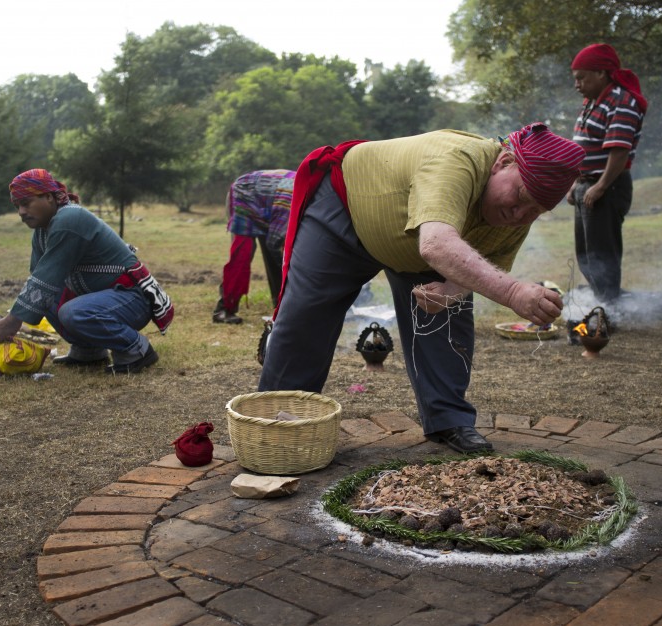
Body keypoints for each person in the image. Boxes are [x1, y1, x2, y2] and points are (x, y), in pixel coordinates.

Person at [259, 123, 585, 454]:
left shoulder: (516, 217)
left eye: (535, 212)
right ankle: (277, 422)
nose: (520, 214)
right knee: (306, 316)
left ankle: (448, 419)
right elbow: (438, 245)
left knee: (447, 317)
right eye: (520, 196)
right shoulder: (456, 159)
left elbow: (480, 263)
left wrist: (449, 291)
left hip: (421, 239)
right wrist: (514, 293)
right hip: (348, 209)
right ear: (504, 162)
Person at [0, 169, 172, 375]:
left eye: (26, 203)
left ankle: (137, 350)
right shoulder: (42, 230)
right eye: (17, 206)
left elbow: (45, 278)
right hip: (103, 298)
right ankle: (89, 351)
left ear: (49, 197)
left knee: (72, 312)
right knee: (45, 299)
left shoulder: (70, 218)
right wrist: (16, 315)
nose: (21, 212)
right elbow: (37, 280)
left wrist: (13, 321)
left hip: (132, 298)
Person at [568, 43, 647, 303]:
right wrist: (574, 183)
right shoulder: (592, 102)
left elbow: (619, 151)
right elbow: (583, 146)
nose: (577, 84)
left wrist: (600, 186)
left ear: (601, 73)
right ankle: (601, 301)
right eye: (575, 78)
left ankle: (609, 308)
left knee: (603, 252)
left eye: (582, 78)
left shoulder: (622, 101)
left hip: (607, 187)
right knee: (586, 254)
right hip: (586, 184)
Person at [213, 169, 295, 324]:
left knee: (276, 254)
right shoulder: (291, 201)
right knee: (242, 255)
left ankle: (281, 308)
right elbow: (275, 243)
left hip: (269, 202)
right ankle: (224, 309)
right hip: (244, 194)